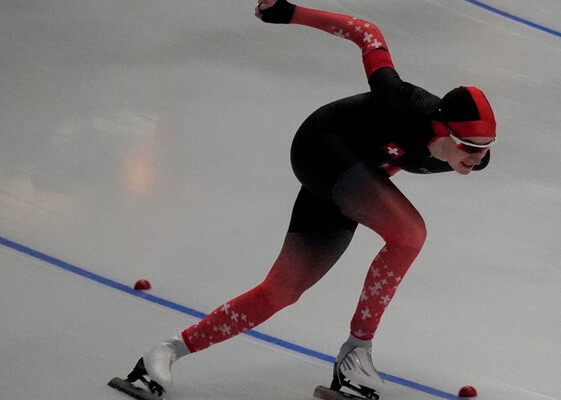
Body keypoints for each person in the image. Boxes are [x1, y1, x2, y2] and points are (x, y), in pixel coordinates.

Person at [115, 0, 497, 399]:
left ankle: (164, 352)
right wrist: (290, 12)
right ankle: (357, 352)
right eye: (470, 145)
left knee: (281, 291)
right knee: (409, 232)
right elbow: (368, 32)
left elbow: (393, 157)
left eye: (488, 147)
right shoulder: (403, 103)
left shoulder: (469, 158)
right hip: (321, 145)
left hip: (349, 179)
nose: (479, 156)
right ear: (443, 129)